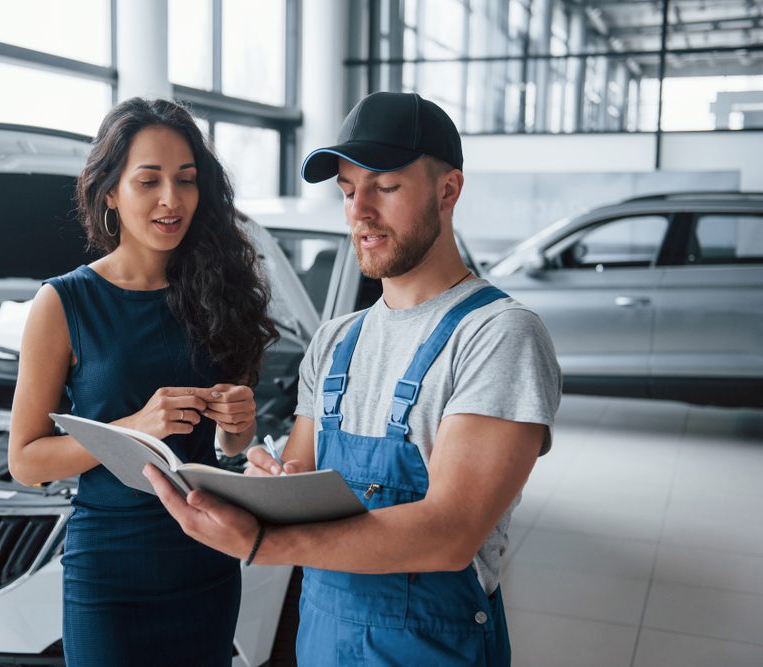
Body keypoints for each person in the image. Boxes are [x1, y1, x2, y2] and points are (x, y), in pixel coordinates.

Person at [144, 91, 562, 666]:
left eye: (384, 188)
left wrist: (265, 541)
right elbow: (301, 477)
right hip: (323, 643)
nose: (359, 211)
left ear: (448, 191)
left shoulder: (497, 335)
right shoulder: (336, 340)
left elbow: (449, 533)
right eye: (347, 191)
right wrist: (267, 481)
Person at [8, 98, 278, 666]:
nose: (171, 200)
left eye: (186, 180)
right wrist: (129, 429)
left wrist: (238, 426)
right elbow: (26, 461)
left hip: (206, 558)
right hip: (110, 574)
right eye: (148, 180)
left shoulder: (217, 291)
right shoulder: (63, 302)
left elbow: (226, 448)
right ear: (110, 192)